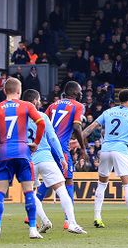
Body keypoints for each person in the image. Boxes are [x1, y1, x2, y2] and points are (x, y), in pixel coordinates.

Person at [0, 77, 47, 239]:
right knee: (29, 192)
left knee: (0, 193)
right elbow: (41, 123)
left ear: (4, 91)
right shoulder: (27, 105)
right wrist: (36, 143)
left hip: (4, 153)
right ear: (19, 90)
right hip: (23, 152)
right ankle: (32, 230)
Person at [21, 89, 86, 235]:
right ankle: (72, 223)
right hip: (45, 157)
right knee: (62, 189)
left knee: (30, 193)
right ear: (35, 100)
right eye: (38, 100)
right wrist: (62, 158)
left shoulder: (19, 118)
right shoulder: (42, 116)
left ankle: (45, 221)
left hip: (28, 160)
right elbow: (52, 138)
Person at [81, 89, 128, 229]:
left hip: (105, 150)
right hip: (121, 150)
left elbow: (91, 128)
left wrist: (78, 141)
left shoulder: (108, 112)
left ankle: (97, 218)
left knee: (102, 183)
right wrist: (127, 152)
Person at [42, 81, 87, 228]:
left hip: (47, 146)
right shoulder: (78, 106)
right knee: (68, 180)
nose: (81, 93)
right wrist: (83, 148)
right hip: (61, 148)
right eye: (80, 91)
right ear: (74, 92)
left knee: (50, 179)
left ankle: (31, 214)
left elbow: (43, 124)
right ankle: (69, 220)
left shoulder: (52, 105)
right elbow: (76, 126)